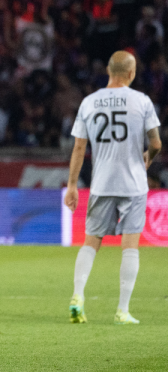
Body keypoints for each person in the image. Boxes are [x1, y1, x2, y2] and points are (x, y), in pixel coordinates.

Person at [65, 51, 161, 324]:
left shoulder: (89, 102)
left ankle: (77, 296)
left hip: (102, 182)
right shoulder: (141, 101)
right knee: (130, 246)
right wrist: (147, 158)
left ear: (108, 71)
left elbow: (79, 147)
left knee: (91, 242)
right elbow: (155, 143)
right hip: (133, 184)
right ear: (131, 73)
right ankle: (122, 310)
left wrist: (72, 185)